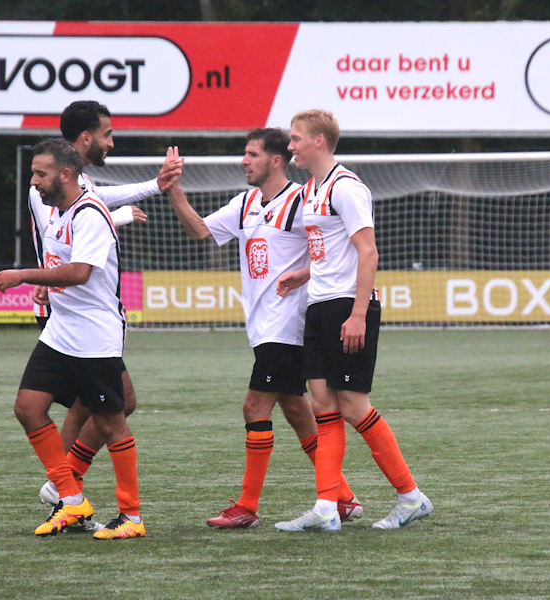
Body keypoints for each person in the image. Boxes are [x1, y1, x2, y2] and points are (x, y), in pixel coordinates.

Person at [164, 129, 361, 529]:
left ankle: (247, 507)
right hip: (263, 326)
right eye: (244, 153)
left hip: (289, 324)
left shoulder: (303, 200)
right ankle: (342, 498)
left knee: (254, 406)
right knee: (297, 410)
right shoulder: (245, 203)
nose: (244, 161)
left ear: (275, 161)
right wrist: (174, 190)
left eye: (252, 154)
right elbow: (199, 230)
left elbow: (338, 248)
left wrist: (305, 274)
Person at [274, 109, 432, 532]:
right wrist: (305, 273)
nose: (290, 146)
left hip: (347, 306)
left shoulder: (346, 188)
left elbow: (368, 251)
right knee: (322, 405)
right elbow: (331, 250)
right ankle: (326, 508)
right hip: (319, 305)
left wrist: (359, 313)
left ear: (319, 140)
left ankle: (411, 497)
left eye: (296, 138)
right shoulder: (311, 190)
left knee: (354, 406)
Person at [31, 100, 181, 521]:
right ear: (86, 138)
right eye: (107, 134)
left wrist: (153, 185)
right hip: (73, 311)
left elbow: (93, 207)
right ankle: (65, 491)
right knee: (93, 404)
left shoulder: (78, 185)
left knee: (114, 401)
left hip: (77, 305)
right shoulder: (52, 186)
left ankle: (67, 489)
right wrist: (40, 275)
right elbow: (80, 231)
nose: (111, 142)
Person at [0, 137, 145, 539]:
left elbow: (80, 272)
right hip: (61, 331)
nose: (33, 181)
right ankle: (71, 498)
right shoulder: (60, 213)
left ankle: (131, 517)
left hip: (94, 336)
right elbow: (63, 267)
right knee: (28, 407)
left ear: (65, 174)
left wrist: (24, 275)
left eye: (40, 174)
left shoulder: (90, 213)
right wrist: (48, 284)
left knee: (111, 422)